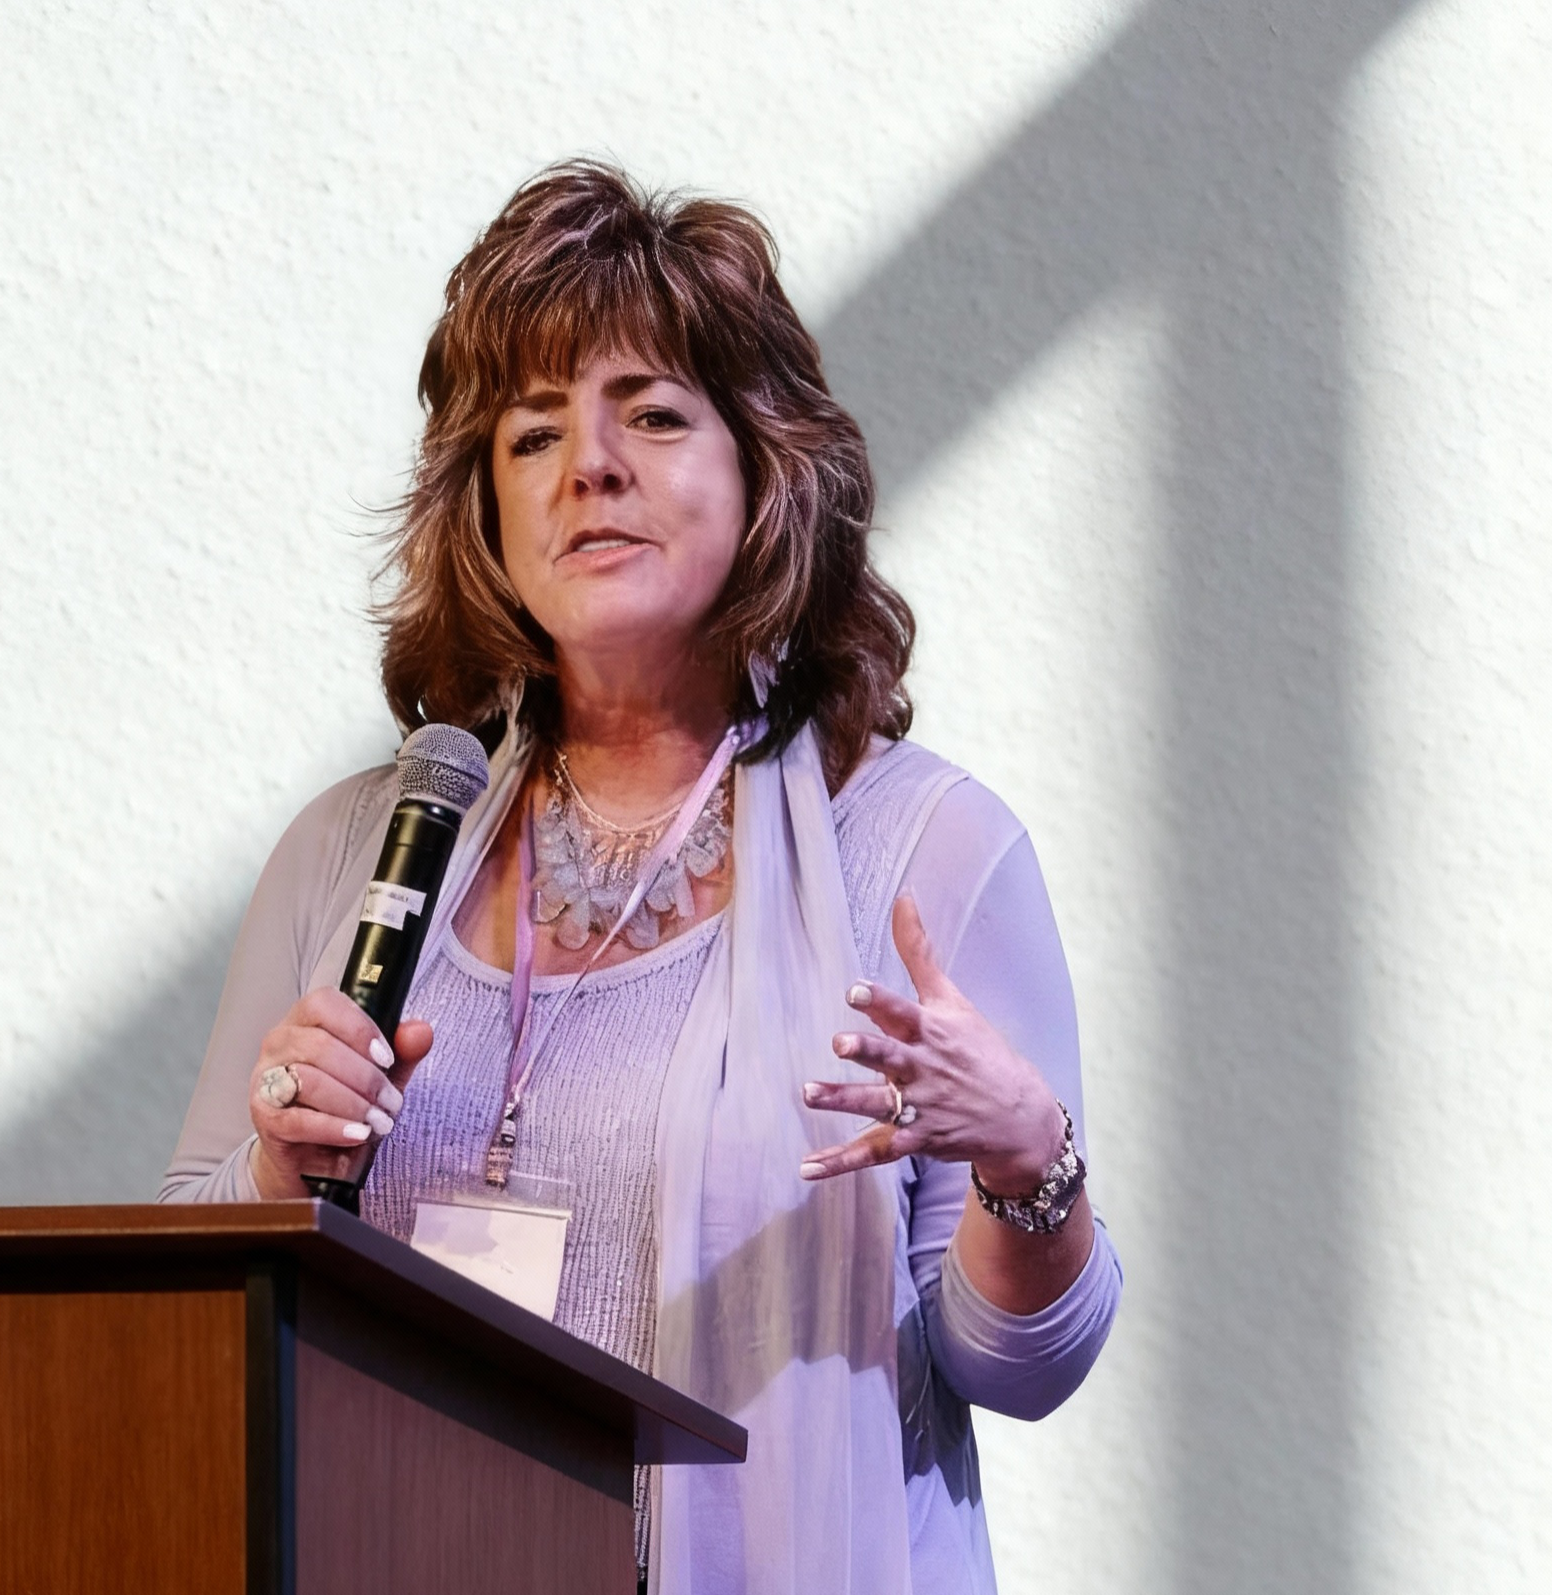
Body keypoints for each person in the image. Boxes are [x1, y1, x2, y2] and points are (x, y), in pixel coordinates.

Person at [162, 160, 1122, 1595]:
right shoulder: (355, 853)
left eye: (653, 415)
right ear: (483, 511)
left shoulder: (923, 850)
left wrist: (1023, 1158)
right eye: (532, 433)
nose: (588, 467)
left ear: (763, 468)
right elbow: (177, 1293)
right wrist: (277, 1167)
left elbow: (1015, 1366)